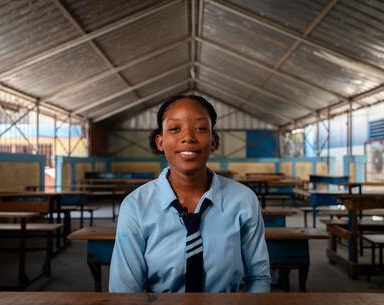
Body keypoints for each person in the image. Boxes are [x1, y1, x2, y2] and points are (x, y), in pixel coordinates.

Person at [109, 94, 271, 292]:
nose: (188, 137)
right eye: (175, 129)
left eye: (201, 129)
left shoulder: (243, 200)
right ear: (160, 141)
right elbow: (124, 289)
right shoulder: (136, 205)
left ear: (213, 140)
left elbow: (259, 277)